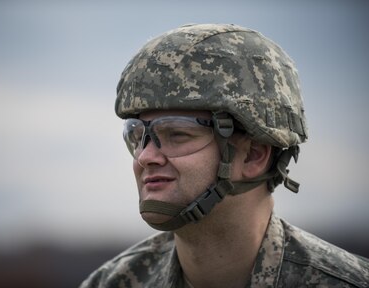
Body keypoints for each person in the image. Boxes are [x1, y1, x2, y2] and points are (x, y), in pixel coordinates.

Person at [81, 24, 369, 287]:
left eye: (178, 134)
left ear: (253, 156)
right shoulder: (113, 282)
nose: (145, 157)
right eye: (137, 136)